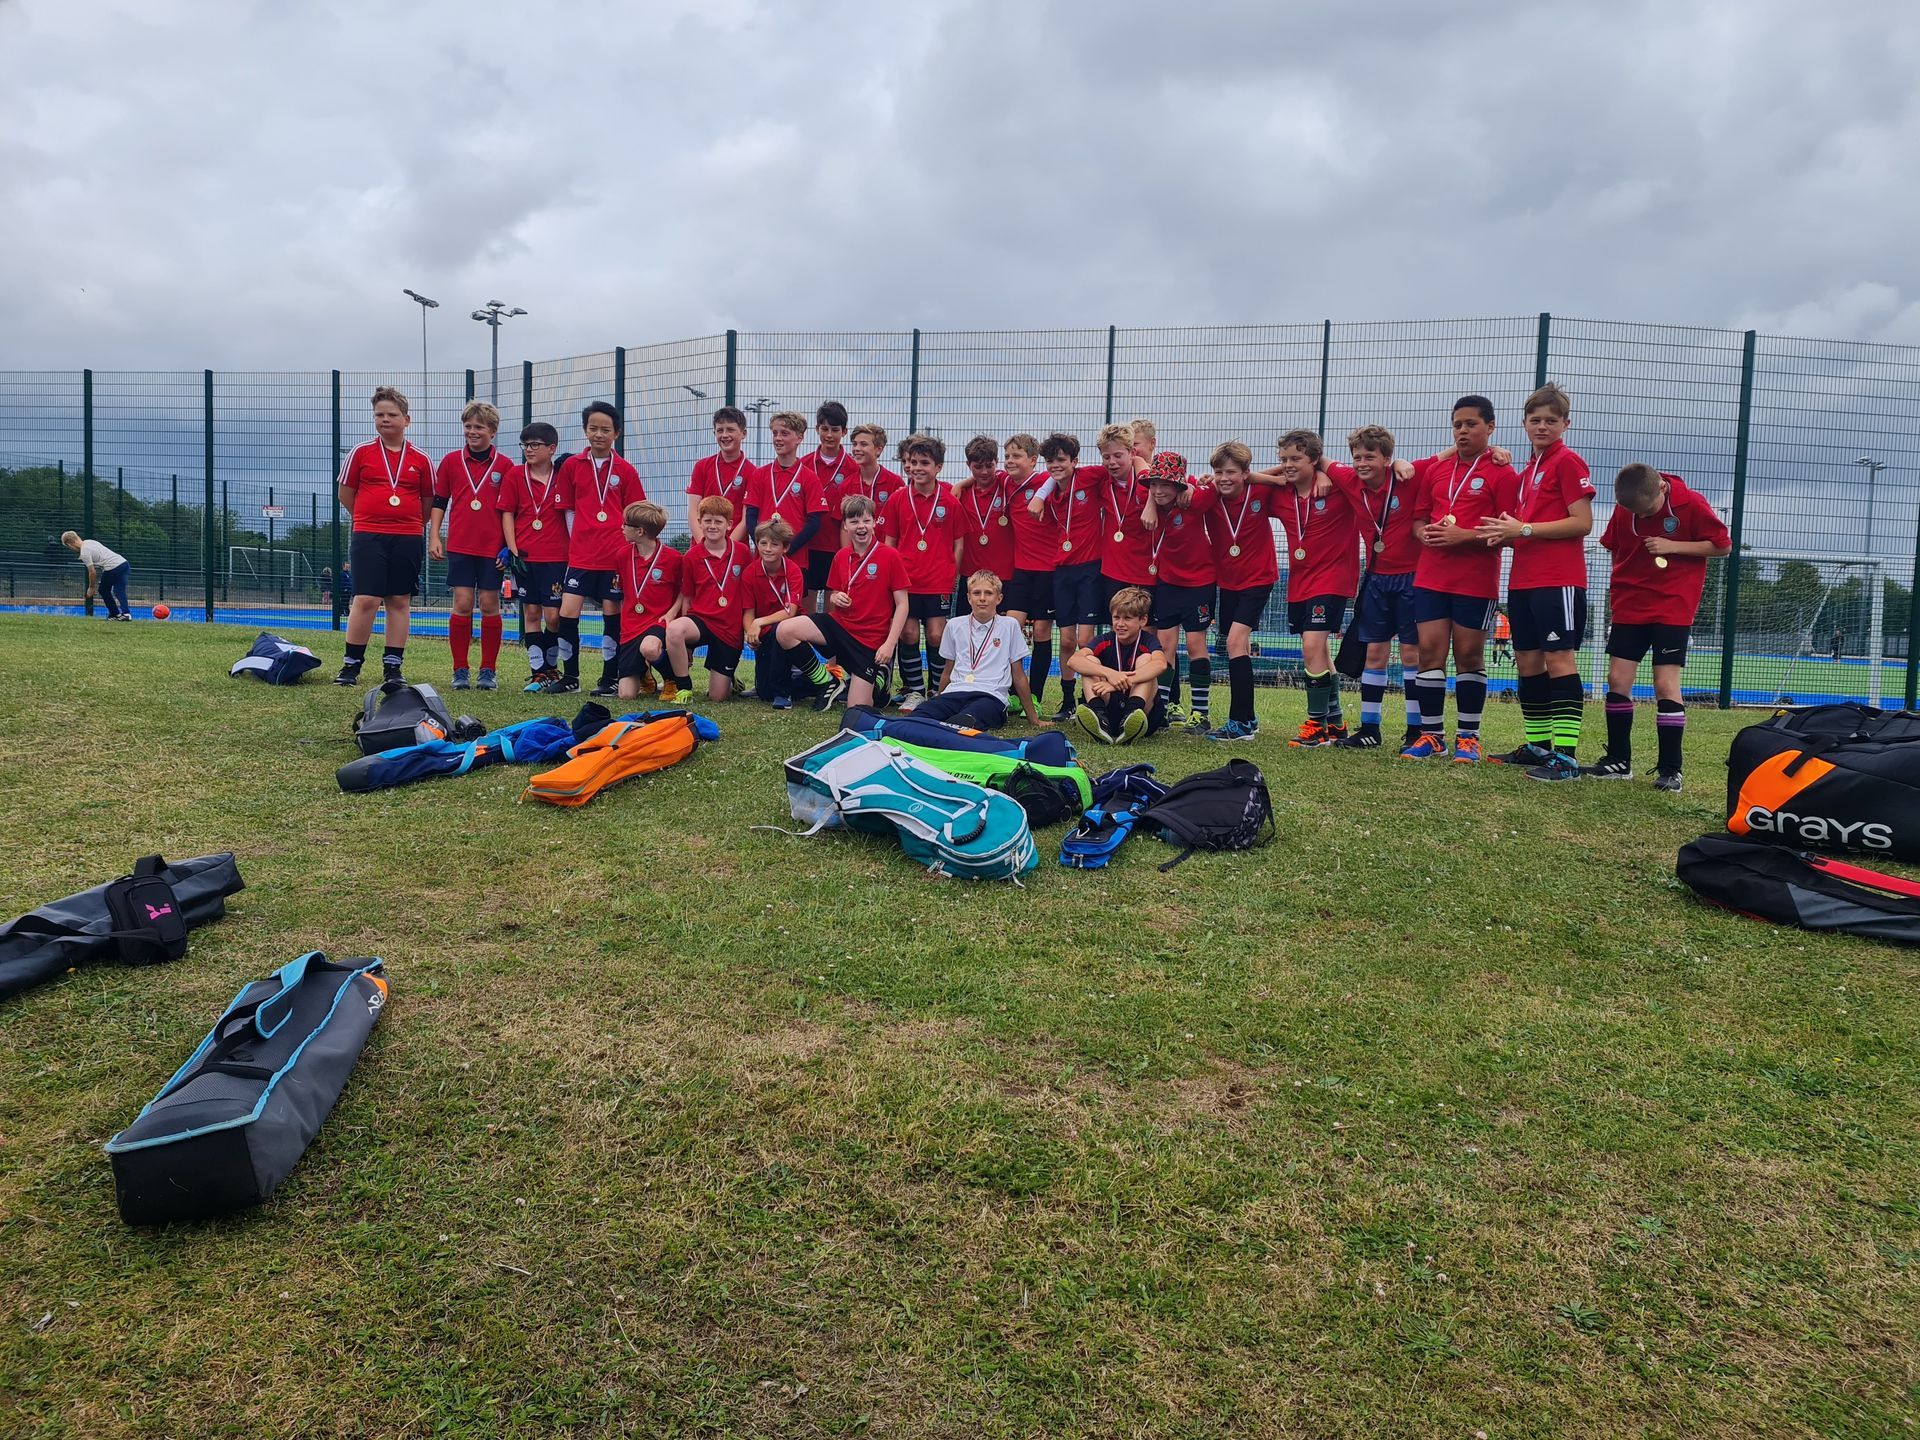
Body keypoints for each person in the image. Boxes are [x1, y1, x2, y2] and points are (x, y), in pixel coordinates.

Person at [1476, 383, 1596, 781]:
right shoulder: (1530, 469)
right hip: (1524, 580)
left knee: (1559, 661)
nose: (1542, 426)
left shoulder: (1568, 462)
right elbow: (1524, 528)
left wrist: (1523, 530)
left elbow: (1582, 523)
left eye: (1551, 420)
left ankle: (1566, 757)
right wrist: (1505, 534)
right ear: (1525, 424)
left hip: (1558, 580)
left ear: (1566, 424)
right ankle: (1539, 747)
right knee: (1528, 663)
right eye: (1535, 420)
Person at [1590, 463, 1731, 792]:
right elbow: (1612, 545)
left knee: (1665, 684)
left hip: (1672, 607)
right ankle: (1618, 761)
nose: (1641, 515)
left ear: (1662, 489)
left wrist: (1674, 546)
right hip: (1629, 605)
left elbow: (1723, 546)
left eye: (1647, 509)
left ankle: (1671, 769)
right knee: (1617, 679)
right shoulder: (1625, 509)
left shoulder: (1691, 504)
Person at [1401, 395, 1520, 761]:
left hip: (1476, 579)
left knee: (1469, 655)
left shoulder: (1502, 473)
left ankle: (1469, 736)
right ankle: (1432, 736)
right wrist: (1423, 534)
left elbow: (1509, 529)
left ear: (1490, 427)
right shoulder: (1438, 469)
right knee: (1429, 654)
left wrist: (1463, 536)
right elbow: (1419, 517)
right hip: (1431, 577)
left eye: (1471, 424)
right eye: (1457, 425)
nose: (1463, 431)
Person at [1263, 428, 1361, 746]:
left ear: (1315, 459)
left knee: (1311, 646)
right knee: (1319, 653)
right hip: (1300, 583)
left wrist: (1323, 469)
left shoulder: (1337, 490)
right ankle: (1336, 725)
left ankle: (1315, 726)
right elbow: (1247, 481)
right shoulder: (1281, 495)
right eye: (1283, 459)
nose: (1288, 465)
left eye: (1296, 459)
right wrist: (1282, 473)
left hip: (1332, 579)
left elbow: (1355, 476)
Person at [1328, 426, 1423, 749]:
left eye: (1370, 456)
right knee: (1375, 653)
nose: (1361, 463)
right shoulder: (1349, 480)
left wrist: (1497, 452)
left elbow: (1448, 458)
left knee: (1411, 654)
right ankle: (1370, 728)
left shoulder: (1409, 476)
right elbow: (1314, 459)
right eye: (1357, 457)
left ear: (1387, 458)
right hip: (1376, 579)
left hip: (1412, 577)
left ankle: (1416, 730)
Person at [332, 386, 433, 685]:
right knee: (365, 599)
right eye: (379, 415)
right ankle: (351, 665)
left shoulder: (421, 459)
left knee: (399, 600)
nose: (385, 419)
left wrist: (411, 522)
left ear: (407, 420)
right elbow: (345, 493)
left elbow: (428, 500)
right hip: (368, 534)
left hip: (408, 536)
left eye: (392, 414)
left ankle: (393, 667)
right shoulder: (360, 452)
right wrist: (368, 517)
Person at [772, 494, 908, 712]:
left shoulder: (890, 556)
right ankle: (827, 682)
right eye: (854, 521)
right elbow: (835, 592)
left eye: (865, 520)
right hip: (841, 627)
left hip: (869, 641)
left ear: (874, 522)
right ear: (845, 525)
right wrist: (835, 597)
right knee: (785, 630)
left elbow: (902, 604)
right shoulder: (841, 556)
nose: (860, 526)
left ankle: (880, 679)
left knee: (857, 709)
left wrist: (889, 644)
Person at [549, 401, 645, 696]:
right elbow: (568, 511)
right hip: (581, 555)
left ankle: (609, 678)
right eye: (593, 428)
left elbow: (633, 513)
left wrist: (627, 547)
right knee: (567, 613)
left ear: (616, 432)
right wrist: (578, 540)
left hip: (614, 556)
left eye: (605, 429)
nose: (598, 434)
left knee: (611, 612)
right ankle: (571, 677)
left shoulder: (626, 470)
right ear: (585, 430)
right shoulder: (572, 467)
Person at [1190, 442, 1277, 741]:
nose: (1224, 478)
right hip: (1227, 582)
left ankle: (1239, 724)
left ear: (1246, 473)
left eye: (1231, 472)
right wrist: (1205, 481)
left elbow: (1292, 473)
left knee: (1236, 644)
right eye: (1218, 472)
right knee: (1231, 644)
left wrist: (1262, 477)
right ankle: (1249, 719)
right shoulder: (1211, 495)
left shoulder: (1260, 493)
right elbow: (1189, 496)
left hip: (1258, 579)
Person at [429, 401, 514, 690]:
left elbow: (509, 511)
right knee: (463, 603)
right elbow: (440, 501)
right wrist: (434, 535)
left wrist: (508, 546)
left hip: (492, 549)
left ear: (492, 431)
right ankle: (460, 670)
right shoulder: (451, 461)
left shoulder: (505, 466)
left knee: (490, 605)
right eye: (468, 426)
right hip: (461, 545)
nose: (472, 431)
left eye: (479, 427)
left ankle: (488, 670)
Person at [877, 433, 962, 710]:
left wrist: (952, 575)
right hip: (906, 580)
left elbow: (958, 543)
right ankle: (914, 690)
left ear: (938, 467)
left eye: (925, 462)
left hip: (938, 580)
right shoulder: (898, 499)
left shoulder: (949, 502)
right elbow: (889, 543)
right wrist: (889, 579)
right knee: (908, 633)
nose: (917, 468)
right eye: (913, 462)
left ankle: (938, 689)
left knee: (937, 634)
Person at [1138, 452, 1218, 731]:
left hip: (1199, 584)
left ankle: (1200, 713)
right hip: (1167, 584)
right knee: (1165, 646)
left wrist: (1195, 484)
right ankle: (1160, 709)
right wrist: (1149, 500)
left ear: (1179, 486)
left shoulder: (1195, 499)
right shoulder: (1153, 499)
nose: (1159, 491)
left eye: (1166, 485)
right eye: (1155, 485)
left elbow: (1217, 486)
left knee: (1196, 645)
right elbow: (1139, 469)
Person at [1035, 430, 1110, 721]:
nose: (1056, 466)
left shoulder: (1089, 477)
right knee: (1066, 640)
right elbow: (1044, 486)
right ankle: (1067, 701)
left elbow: (1116, 470)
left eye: (1062, 460)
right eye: (1051, 461)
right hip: (1062, 570)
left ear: (1074, 461)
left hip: (1090, 569)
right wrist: (1041, 496)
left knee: (1086, 639)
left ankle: (1088, 697)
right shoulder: (1050, 489)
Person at [921, 571, 1045, 728]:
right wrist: (940, 700)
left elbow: (1018, 674)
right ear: (968, 598)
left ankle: (953, 728)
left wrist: (1033, 718)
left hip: (991, 697)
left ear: (999, 598)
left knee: (968, 720)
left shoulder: (1010, 625)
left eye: (988, 593)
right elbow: (947, 671)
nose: (982, 598)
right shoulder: (954, 625)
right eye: (976, 593)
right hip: (955, 692)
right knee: (921, 715)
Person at [500, 421, 568, 691]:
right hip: (525, 555)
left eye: (535, 445)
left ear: (552, 448)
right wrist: (512, 548)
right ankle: (538, 671)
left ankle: (552, 667)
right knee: (530, 612)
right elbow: (507, 512)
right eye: (525, 445)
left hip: (556, 555)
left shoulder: (563, 475)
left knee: (553, 616)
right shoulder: (516, 475)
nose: (528, 450)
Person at [665, 496, 749, 702]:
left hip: (730, 629)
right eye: (708, 521)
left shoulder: (743, 553)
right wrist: (688, 646)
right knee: (675, 630)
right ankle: (684, 687)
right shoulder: (692, 556)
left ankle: (729, 679)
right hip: (701, 621)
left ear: (729, 525)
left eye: (718, 521)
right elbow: (688, 596)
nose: (712, 526)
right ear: (700, 522)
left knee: (718, 697)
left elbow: (750, 593)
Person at [999, 433, 1061, 711]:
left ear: (1033, 460)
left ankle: (1034, 695)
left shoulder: (1046, 482)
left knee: (1041, 631)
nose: (1010, 461)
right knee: (1011, 628)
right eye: (1008, 456)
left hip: (1048, 570)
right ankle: (1009, 691)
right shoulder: (1005, 482)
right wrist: (960, 485)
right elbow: (981, 477)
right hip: (1020, 571)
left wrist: (1042, 491)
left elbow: (1060, 474)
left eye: (1017, 456)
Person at [1068, 585, 1169, 744]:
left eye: (1127, 618)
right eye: (1116, 617)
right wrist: (1110, 674)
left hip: (1143, 712)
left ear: (1143, 620)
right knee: (1090, 661)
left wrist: (1116, 684)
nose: (1120, 624)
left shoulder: (1148, 640)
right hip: (1109, 707)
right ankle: (1099, 718)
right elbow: (1073, 660)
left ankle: (1131, 717)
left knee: (1147, 660)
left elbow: (1161, 665)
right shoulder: (1105, 639)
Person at [613, 502, 684, 703]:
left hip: (657, 621)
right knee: (626, 694)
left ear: (640, 531)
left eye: (626, 524)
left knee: (650, 648)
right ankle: (644, 674)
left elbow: (683, 592)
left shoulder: (672, 558)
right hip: (630, 626)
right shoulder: (622, 555)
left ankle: (671, 679)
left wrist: (671, 615)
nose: (622, 528)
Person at [741, 411, 825, 581]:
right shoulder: (760, 474)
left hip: (795, 560)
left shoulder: (810, 478)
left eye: (784, 433)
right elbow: (750, 515)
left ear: (799, 438)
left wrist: (787, 548)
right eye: (775, 433)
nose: (778, 438)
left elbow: (815, 523)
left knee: (794, 607)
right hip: (764, 559)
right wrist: (764, 546)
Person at [742, 519, 807, 709]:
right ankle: (794, 683)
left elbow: (790, 611)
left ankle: (783, 693)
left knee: (779, 630)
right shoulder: (749, 573)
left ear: (785, 548)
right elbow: (748, 612)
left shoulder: (793, 571)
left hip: (790, 630)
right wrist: (750, 633)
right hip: (764, 632)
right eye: (763, 543)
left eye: (774, 544)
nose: (768, 548)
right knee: (764, 693)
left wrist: (759, 622)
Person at [952, 435, 1017, 613]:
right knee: (968, 633)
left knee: (1003, 633)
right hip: (970, 576)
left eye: (989, 465)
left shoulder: (1008, 487)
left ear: (997, 462)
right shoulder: (960, 494)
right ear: (968, 465)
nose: (984, 472)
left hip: (1004, 575)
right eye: (977, 467)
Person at [802, 401, 854, 609]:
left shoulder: (852, 467)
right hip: (809, 546)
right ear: (817, 430)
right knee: (807, 607)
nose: (829, 435)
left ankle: (831, 643)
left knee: (835, 607)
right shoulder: (803, 464)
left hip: (837, 547)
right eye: (824, 429)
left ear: (844, 432)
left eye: (835, 430)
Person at [685, 405, 759, 545]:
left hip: (734, 548)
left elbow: (745, 519)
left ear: (743, 433)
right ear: (714, 434)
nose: (725, 435)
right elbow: (693, 511)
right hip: (702, 546)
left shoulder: (753, 472)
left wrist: (725, 547)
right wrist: (704, 543)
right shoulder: (702, 466)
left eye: (730, 430)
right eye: (720, 430)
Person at [62, 530, 131, 620]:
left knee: (103, 590)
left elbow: (92, 572)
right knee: (119, 590)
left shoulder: (84, 553)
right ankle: (126, 614)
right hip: (124, 564)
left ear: (70, 544)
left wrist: (91, 587)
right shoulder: (89, 541)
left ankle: (115, 614)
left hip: (113, 567)